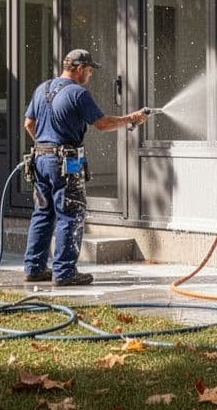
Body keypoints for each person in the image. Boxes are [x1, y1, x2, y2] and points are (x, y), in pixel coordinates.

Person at [23, 48, 149, 286]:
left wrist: (43, 146)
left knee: (43, 212)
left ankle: (34, 268)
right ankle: (64, 272)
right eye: (89, 71)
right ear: (79, 69)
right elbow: (102, 124)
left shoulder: (43, 89)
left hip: (40, 159)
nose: (90, 75)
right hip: (65, 161)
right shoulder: (78, 93)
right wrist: (131, 118)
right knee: (70, 213)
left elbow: (29, 123)